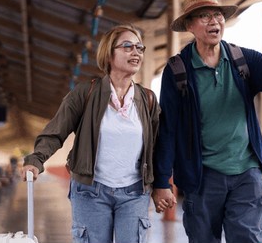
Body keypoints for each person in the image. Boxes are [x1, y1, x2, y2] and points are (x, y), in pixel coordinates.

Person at [151, 0, 262, 243]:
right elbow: (169, 129)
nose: (214, 21)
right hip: (202, 176)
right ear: (189, 26)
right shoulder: (177, 71)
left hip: (246, 172)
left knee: (247, 237)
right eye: (203, 16)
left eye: (217, 15)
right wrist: (161, 181)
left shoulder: (242, 60)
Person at [21, 24, 162, 243]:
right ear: (109, 53)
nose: (135, 52)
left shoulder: (148, 100)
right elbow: (55, 131)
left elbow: (158, 146)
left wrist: (162, 185)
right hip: (91, 192)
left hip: (134, 194)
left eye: (139, 48)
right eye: (127, 46)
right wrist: (36, 159)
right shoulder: (85, 93)